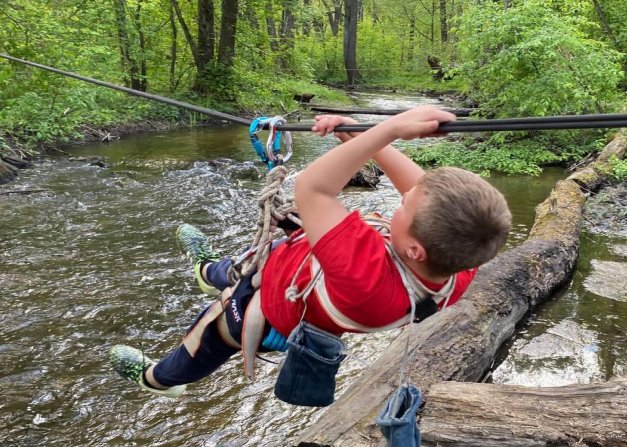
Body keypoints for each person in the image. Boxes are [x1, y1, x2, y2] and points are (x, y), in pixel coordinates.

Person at [109, 106, 512, 399]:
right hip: (290, 268)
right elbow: (422, 191)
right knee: (250, 260)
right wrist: (360, 135)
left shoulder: (364, 274)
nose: (403, 196)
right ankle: (208, 271)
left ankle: (158, 380)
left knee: (205, 340)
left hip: (267, 307)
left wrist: (388, 129)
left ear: (415, 249)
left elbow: (314, 188)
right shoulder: (460, 262)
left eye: (405, 205)